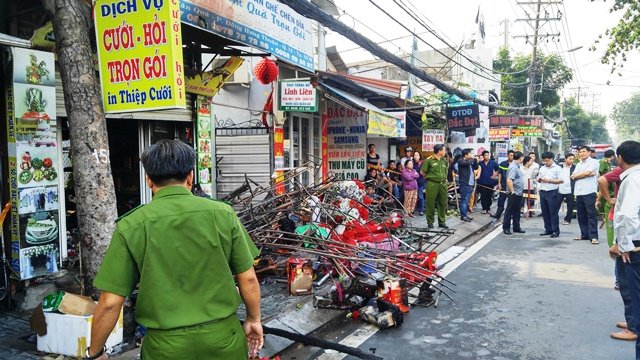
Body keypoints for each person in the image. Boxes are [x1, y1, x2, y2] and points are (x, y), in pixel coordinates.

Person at [88, 139, 263, 360]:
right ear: (190, 176)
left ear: (149, 180)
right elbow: (247, 279)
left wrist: (95, 353)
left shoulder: (131, 226)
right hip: (223, 341)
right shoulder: (223, 214)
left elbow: (110, 302)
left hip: (165, 348)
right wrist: (254, 319)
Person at [610, 140, 640, 353]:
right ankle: (632, 322)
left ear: (620, 158)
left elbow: (628, 215)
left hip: (632, 245)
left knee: (631, 287)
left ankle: (635, 327)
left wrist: (624, 246)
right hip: (630, 242)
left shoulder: (632, 180)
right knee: (627, 286)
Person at [571, 145, 600, 244]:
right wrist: (582, 175)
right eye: (580, 152)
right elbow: (572, 176)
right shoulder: (579, 164)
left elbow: (587, 173)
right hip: (579, 192)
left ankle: (594, 236)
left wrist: (578, 176)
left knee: (591, 214)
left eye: (583, 151)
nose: (581, 153)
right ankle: (584, 234)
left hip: (589, 192)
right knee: (581, 215)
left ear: (589, 152)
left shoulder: (594, 162)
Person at [421, 144, 449, 229]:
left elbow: (445, 172)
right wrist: (430, 179)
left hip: (442, 184)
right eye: (444, 150)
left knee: (442, 203)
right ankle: (430, 222)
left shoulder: (444, 161)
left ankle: (442, 221)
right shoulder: (429, 160)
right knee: (430, 203)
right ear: (439, 151)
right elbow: (422, 172)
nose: (445, 152)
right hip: (432, 184)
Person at [537, 151, 563, 238]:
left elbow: (561, 180)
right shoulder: (542, 168)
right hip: (543, 191)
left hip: (552, 192)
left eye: (547, 160)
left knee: (553, 213)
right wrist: (539, 179)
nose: (545, 162)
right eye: (544, 161)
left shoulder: (558, 168)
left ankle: (555, 231)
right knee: (545, 212)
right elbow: (538, 178)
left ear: (552, 159)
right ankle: (548, 229)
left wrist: (550, 180)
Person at [503, 151, 526, 235]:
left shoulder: (517, 166)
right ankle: (506, 228)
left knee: (517, 210)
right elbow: (509, 180)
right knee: (509, 210)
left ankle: (516, 227)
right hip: (514, 193)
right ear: (520, 158)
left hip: (518, 192)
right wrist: (512, 191)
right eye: (522, 157)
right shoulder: (513, 167)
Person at [457, 148, 479, 222]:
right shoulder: (461, 161)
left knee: (467, 201)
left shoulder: (470, 161)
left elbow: (476, 167)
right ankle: (463, 216)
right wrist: (472, 159)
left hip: (470, 184)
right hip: (465, 184)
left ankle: (465, 215)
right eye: (470, 153)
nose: (472, 154)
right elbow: (466, 163)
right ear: (466, 155)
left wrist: (475, 160)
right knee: (464, 200)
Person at [492, 150, 515, 220]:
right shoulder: (503, 164)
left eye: (513, 155)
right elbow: (500, 174)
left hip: (511, 186)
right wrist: (499, 183)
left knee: (511, 202)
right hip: (504, 185)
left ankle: (510, 214)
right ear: (508, 155)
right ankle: (498, 214)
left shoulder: (515, 165)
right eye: (511, 155)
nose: (512, 157)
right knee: (501, 201)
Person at [477, 150, 499, 214]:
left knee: (489, 196)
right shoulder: (480, 163)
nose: (487, 156)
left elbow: (498, 169)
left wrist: (494, 175)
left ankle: (488, 208)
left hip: (490, 182)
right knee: (483, 196)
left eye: (488, 155)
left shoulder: (493, 163)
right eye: (486, 155)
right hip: (482, 182)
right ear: (483, 156)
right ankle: (484, 209)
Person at [559, 154, 576, 225]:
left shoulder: (575, 167)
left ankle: (567, 219)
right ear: (565, 159)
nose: (571, 160)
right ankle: (553, 218)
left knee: (570, 205)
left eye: (573, 159)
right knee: (555, 205)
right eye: (570, 159)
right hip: (559, 188)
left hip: (570, 189)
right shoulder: (559, 167)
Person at [413, 151, 426, 216]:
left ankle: (421, 210)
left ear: (420, 156)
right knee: (413, 196)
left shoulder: (422, 163)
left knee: (420, 196)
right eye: (415, 155)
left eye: (417, 155)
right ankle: (412, 210)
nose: (416, 156)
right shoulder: (411, 163)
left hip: (420, 182)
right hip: (412, 182)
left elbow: (423, 172)